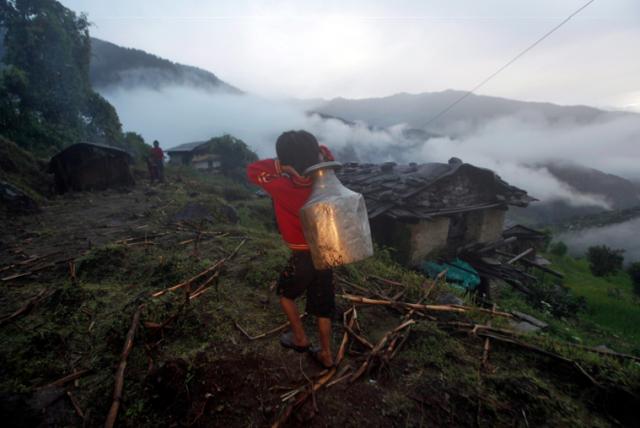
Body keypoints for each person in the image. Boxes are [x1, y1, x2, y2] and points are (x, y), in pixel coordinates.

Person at [247, 130, 335, 368]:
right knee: (323, 307)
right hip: (326, 253)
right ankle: (326, 354)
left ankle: (300, 338)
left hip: (302, 256)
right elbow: (327, 152)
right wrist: (317, 154)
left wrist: (282, 167)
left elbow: (253, 169)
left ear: (285, 160)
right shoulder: (325, 179)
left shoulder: (281, 186)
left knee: (286, 296)